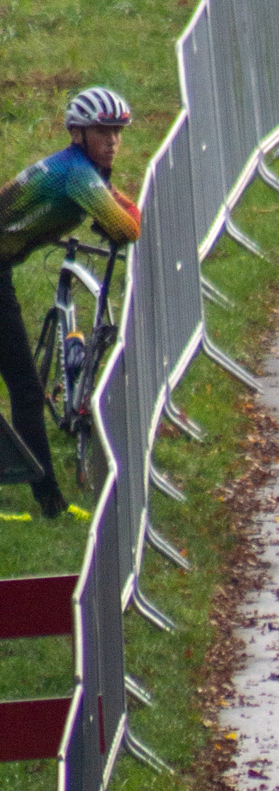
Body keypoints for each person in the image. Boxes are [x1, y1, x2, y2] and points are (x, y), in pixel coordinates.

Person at [0, 85, 140, 518]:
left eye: (117, 133)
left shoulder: (81, 170)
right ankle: (50, 500)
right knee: (25, 386)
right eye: (103, 132)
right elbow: (126, 226)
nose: (113, 142)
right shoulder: (77, 175)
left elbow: (125, 215)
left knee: (23, 386)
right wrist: (122, 217)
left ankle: (48, 497)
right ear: (78, 134)